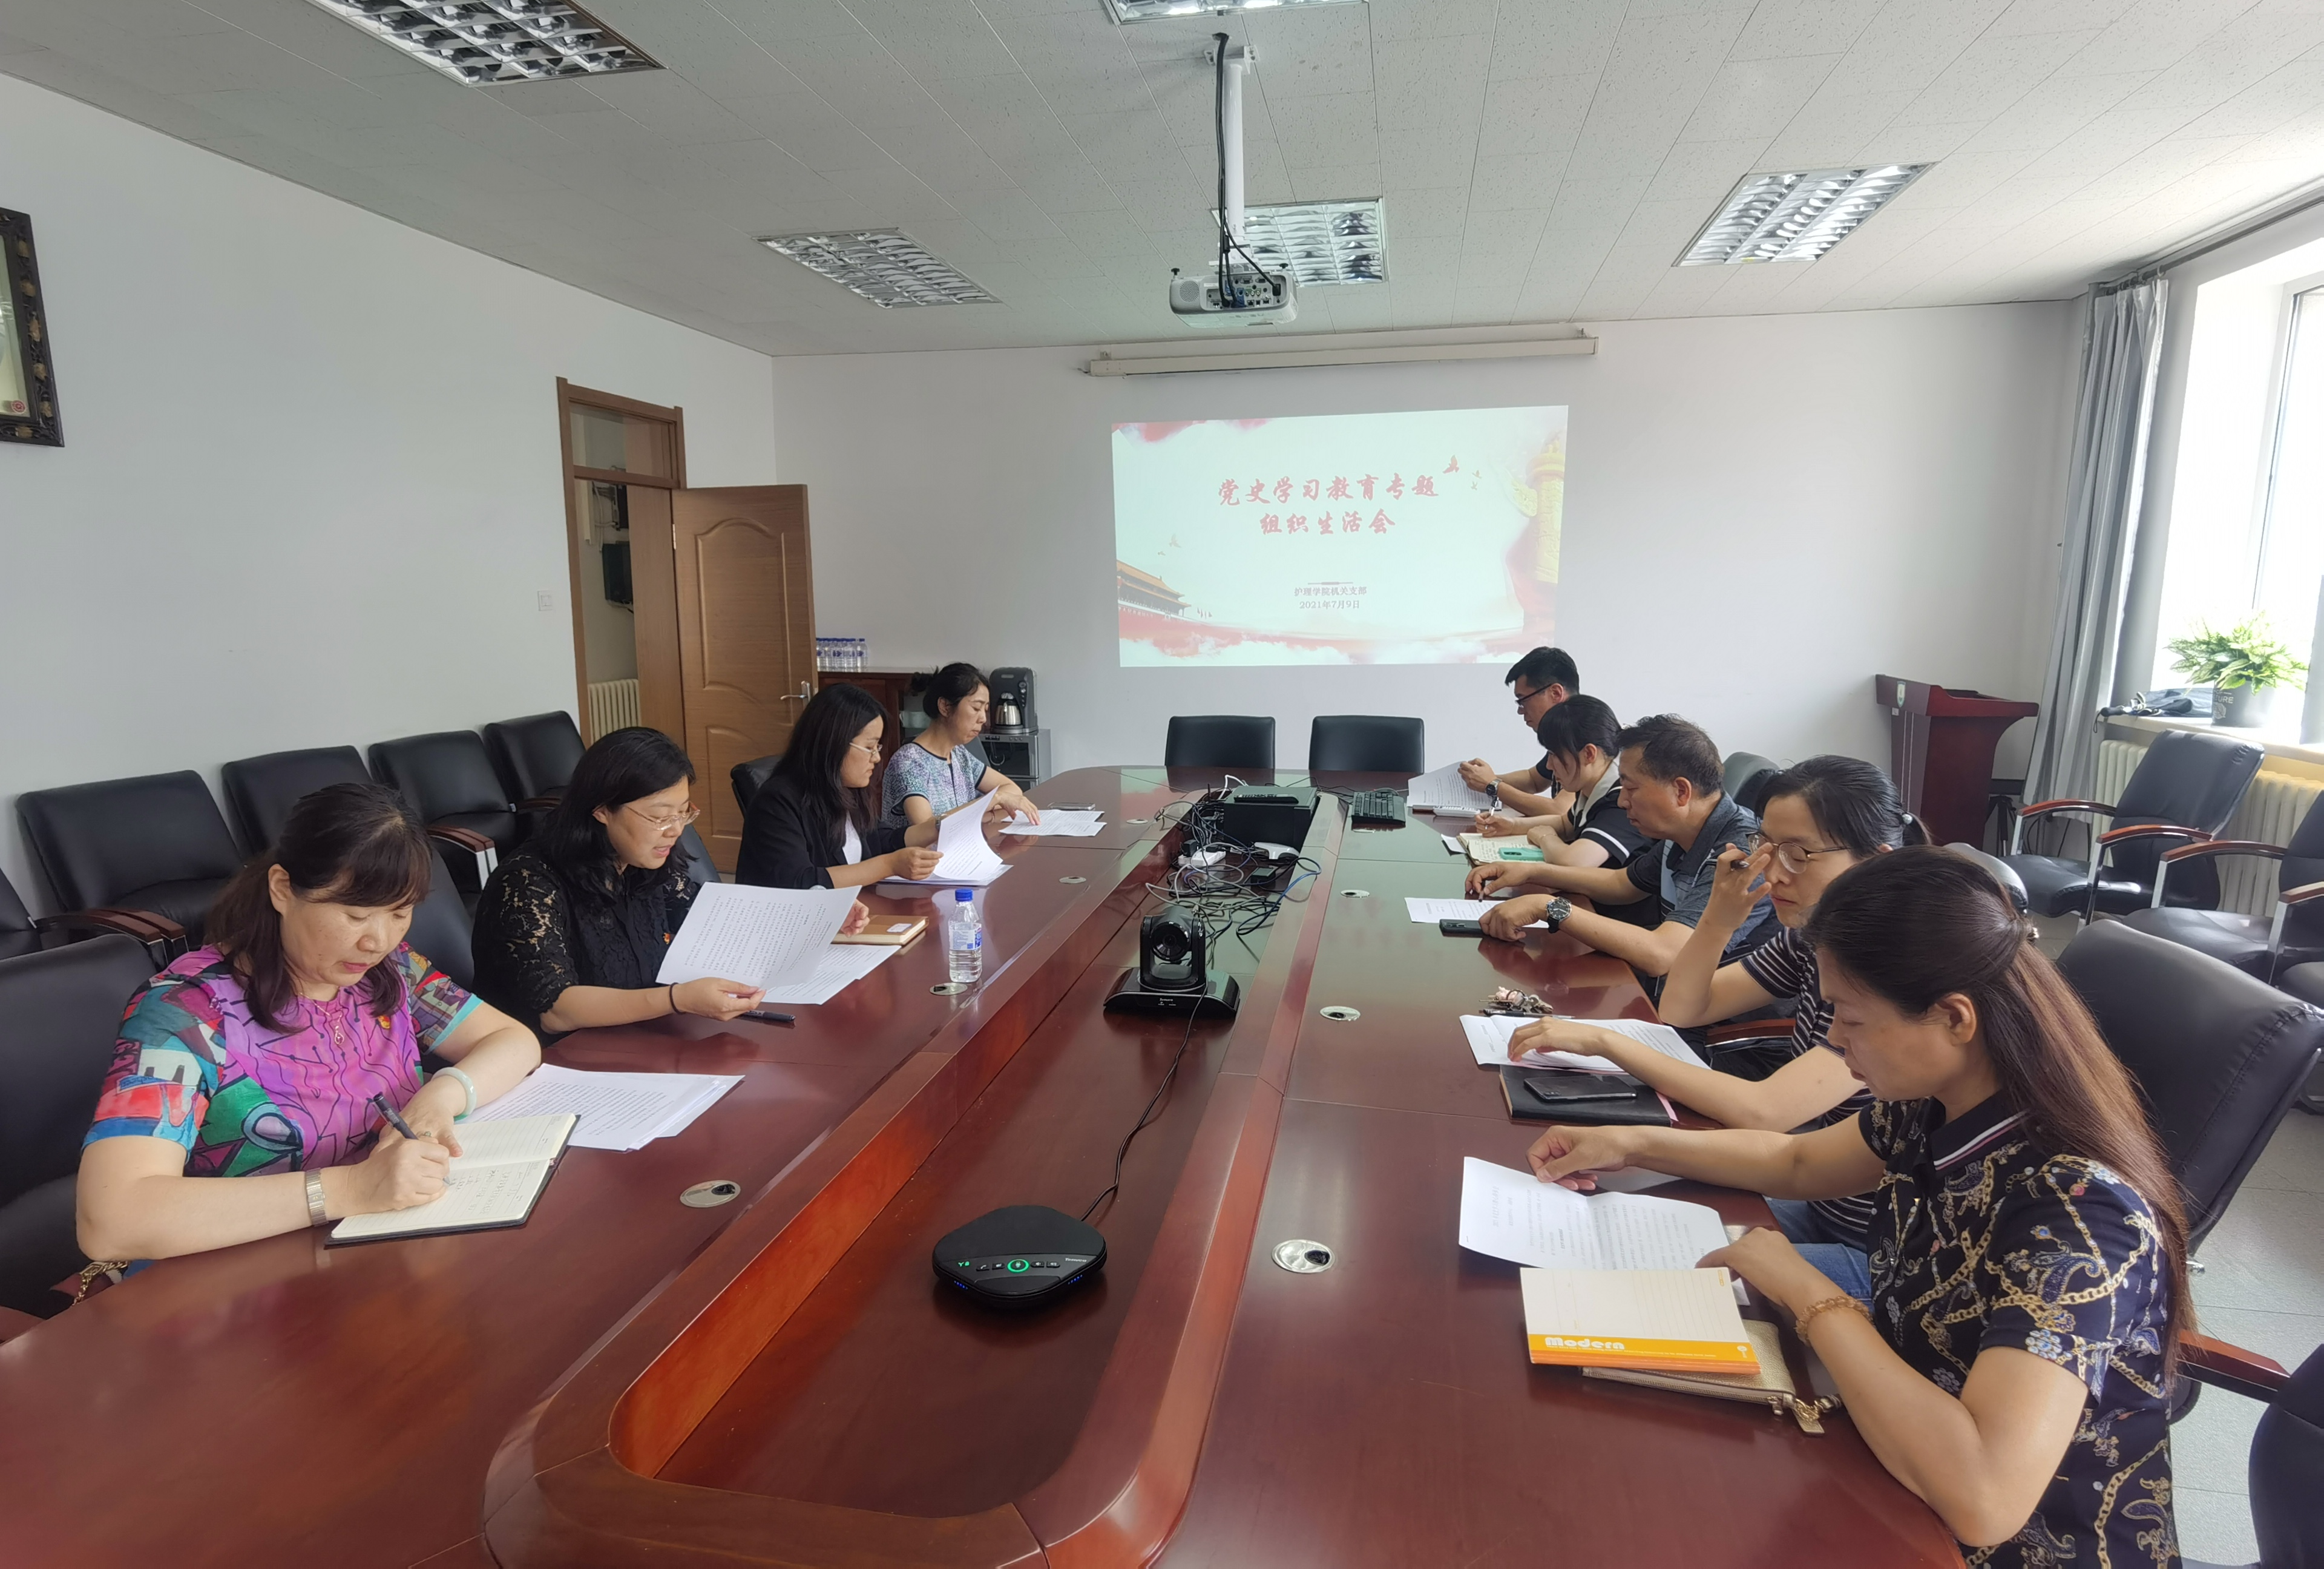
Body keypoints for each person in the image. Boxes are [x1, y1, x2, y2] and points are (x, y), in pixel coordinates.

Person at [1526, 847, 2185, 1567]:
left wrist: (1805, 1290)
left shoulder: (2078, 1215)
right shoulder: (1934, 1104)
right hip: (1894, 1458)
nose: (1834, 1039)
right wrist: (1631, 1143)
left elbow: (1986, 1498)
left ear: (1954, 1018)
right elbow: (1797, 1161)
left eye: (1850, 1016)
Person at [1505, 756, 1931, 1292]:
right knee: (1603, 1218)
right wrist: (1720, 917)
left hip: (1873, 1251)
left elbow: (1765, 1112)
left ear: (1876, 864)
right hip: (1819, 1203)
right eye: (1767, 847)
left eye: (1799, 855)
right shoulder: (1809, 937)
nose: (1773, 872)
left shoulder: (1894, 980)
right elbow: (1683, 1009)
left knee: (1633, 1276)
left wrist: (1605, 1042)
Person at [76, 783, 542, 1261]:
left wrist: (440, 1098)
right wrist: (351, 1189)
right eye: (355, 915)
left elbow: (514, 1040)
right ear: (283, 889)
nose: (378, 940)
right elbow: (113, 1219)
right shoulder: (187, 1010)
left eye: (400, 913)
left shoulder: (390, 971)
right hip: (240, 1274)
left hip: (380, 1245)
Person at [473, 726, 821, 1036]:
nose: (675, 830)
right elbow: (557, 1011)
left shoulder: (645, 862)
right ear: (601, 810)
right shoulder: (528, 884)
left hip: (641, 1039)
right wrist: (677, 999)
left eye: (683, 813)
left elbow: (713, 918)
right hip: (552, 1063)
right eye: (659, 817)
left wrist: (816, 920)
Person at [1469, 714, 1778, 981]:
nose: (1621, 801)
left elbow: (1663, 954)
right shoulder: (1683, 833)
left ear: (1681, 792)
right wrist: (1530, 872)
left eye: (1631, 788)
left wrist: (1548, 907)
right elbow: (1622, 884)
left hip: (1708, 1018)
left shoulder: (1739, 853)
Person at [739, 682, 1005, 890]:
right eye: (869, 747)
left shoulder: (845, 789)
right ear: (833, 744)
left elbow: (882, 840)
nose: (877, 758)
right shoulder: (777, 803)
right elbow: (800, 882)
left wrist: (944, 826)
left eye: (878, 747)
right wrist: (890, 865)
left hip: (852, 916)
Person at [1464, 695, 1644, 869]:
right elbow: (1565, 824)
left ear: (1589, 754)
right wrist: (1512, 826)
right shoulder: (1593, 784)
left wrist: (1545, 837)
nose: (1549, 766)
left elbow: (1573, 862)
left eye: (1554, 755)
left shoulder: (1622, 798)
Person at [882, 662, 1038, 831]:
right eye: (976, 708)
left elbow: (1013, 790)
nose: (983, 719)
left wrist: (985, 811)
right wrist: (995, 799)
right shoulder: (909, 762)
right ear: (945, 707)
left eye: (985, 710)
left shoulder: (959, 755)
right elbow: (926, 828)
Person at [1456, 646, 1578, 821]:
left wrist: (1492, 785)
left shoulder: (1584, 733)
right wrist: (1480, 779)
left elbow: (1560, 811)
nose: (1520, 711)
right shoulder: (1563, 732)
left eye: (1523, 701)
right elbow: (1533, 780)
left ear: (1555, 693)